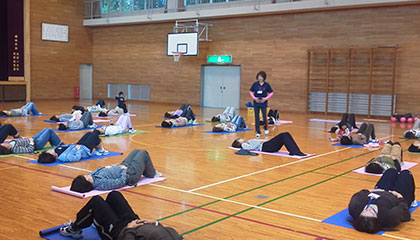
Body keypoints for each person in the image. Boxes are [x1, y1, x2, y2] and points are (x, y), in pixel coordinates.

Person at [59, 191, 183, 240]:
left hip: (120, 232)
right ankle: (102, 219)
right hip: (136, 222)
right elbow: (166, 230)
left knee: (96, 202)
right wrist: (155, 223)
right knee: (114, 195)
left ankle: (74, 229)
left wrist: (130, 230)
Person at [348, 168, 416, 233]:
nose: (369, 209)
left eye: (365, 210)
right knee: (405, 174)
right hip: (396, 195)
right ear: (377, 218)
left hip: (380, 190)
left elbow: (359, 193)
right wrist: (398, 195)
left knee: (391, 171)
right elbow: (403, 206)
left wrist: (374, 190)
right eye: (371, 212)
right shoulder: (389, 217)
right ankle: (412, 200)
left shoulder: (354, 208)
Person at [70, 149, 162, 193]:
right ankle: (151, 173)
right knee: (143, 153)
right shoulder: (101, 183)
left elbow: (98, 170)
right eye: (85, 177)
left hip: (122, 166)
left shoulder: (92, 177)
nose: (87, 175)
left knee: (136, 151)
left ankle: (144, 169)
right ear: (87, 183)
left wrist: (117, 166)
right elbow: (120, 182)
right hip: (129, 174)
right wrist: (123, 170)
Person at [37, 129, 108, 163]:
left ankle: (100, 150)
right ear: (52, 155)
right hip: (84, 150)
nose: (48, 150)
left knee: (89, 134)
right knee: (95, 133)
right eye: (48, 152)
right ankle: (101, 149)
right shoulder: (64, 157)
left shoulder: (56, 150)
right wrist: (78, 150)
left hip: (77, 145)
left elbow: (65, 147)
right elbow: (76, 158)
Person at [231, 132, 306, 156]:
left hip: (267, 144)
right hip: (266, 147)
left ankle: (295, 151)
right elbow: (251, 148)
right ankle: (295, 152)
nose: (241, 138)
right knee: (284, 135)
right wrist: (261, 142)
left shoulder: (247, 141)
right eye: (239, 139)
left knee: (285, 135)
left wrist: (264, 140)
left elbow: (257, 142)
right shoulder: (243, 145)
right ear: (238, 142)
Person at [249, 71, 274, 138]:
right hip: (256, 102)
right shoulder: (255, 84)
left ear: (264, 78)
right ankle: (258, 131)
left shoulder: (266, 85)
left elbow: (271, 93)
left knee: (264, 116)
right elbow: (251, 91)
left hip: (263, 102)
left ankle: (265, 128)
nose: (260, 78)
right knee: (256, 117)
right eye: (259, 76)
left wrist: (265, 99)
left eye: (261, 77)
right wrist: (254, 98)